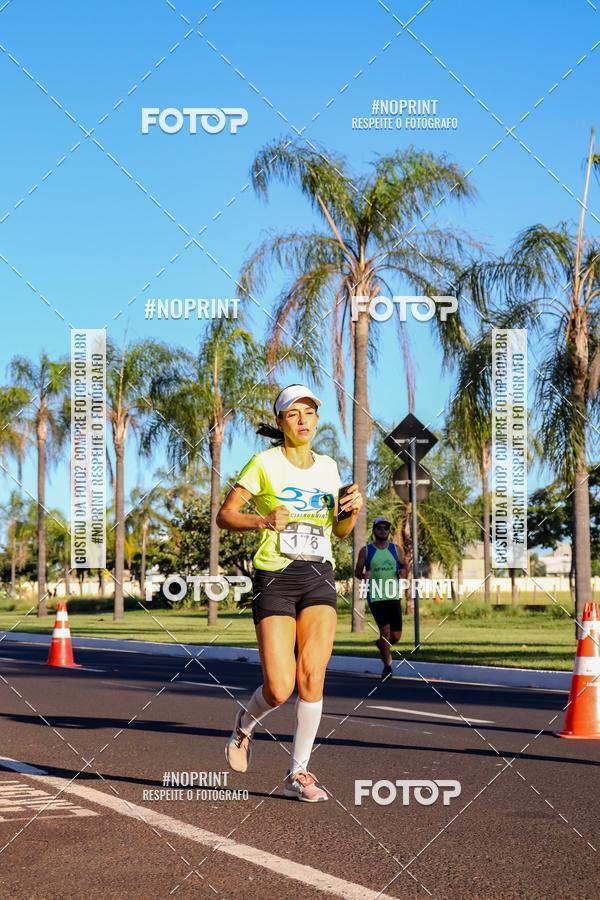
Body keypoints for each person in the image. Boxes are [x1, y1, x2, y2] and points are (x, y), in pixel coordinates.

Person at [216, 384, 362, 802]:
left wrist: (350, 512)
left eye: (310, 413)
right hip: (275, 578)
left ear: (318, 420)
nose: (303, 420)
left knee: (312, 676)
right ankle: (245, 726)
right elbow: (224, 516)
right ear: (280, 422)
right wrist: (263, 520)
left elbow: (339, 530)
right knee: (280, 688)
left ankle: (298, 772)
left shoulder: (329, 467)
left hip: (318, 574)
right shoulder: (264, 463)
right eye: (294, 414)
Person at [355, 516, 407, 680]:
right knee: (385, 631)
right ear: (374, 531)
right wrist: (364, 575)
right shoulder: (367, 551)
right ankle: (387, 667)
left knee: (396, 636)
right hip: (376, 596)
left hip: (393, 596)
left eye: (385, 528)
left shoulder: (396, 549)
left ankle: (381, 645)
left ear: (388, 531)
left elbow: (404, 565)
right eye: (379, 528)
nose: (383, 531)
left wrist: (403, 572)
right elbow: (357, 571)